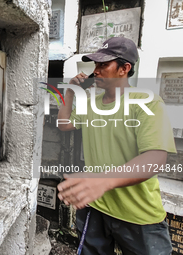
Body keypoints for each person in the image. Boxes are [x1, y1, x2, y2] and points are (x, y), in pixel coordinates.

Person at [57, 37, 176, 255]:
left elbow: (155, 158)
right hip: (96, 208)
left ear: (124, 68)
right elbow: (64, 124)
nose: (96, 71)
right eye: (96, 65)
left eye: (103, 64)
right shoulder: (91, 104)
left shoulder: (147, 102)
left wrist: (102, 181)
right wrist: (71, 91)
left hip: (138, 214)